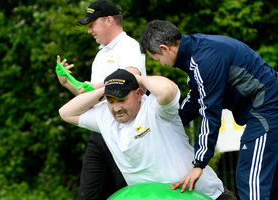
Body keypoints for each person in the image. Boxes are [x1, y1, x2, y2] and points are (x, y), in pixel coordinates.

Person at [139, 19, 278, 200]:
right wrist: (168, 124)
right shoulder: (196, 52)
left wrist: (199, 164)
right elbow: (195, 99)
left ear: (165, 48)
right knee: (270, 185)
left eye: (157, 58)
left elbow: (209, 112)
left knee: (251, 179)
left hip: (268, 109)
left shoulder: (205, 59)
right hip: (266, 109)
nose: (162, 64)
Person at [59, 69, 237, 200]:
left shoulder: (156, 109)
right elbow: (66, 113)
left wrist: (136, 78)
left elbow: (167, 89)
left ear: (138, 93)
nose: (117, 108)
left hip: (205, 195)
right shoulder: (104, 116)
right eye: (111, 101)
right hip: (154, 196)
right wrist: (104, 90)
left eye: (122, 99)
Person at [56, 0, 146, 199]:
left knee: (129, 193)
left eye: (92, 25)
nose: (89, 31)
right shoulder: (100, 56)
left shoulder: (130, 46)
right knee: (87, 195)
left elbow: (129, 80)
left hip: (126, 132)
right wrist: (68, 83)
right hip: (100, 132)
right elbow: (92, 99)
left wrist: (94, 87)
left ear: (109, 20)